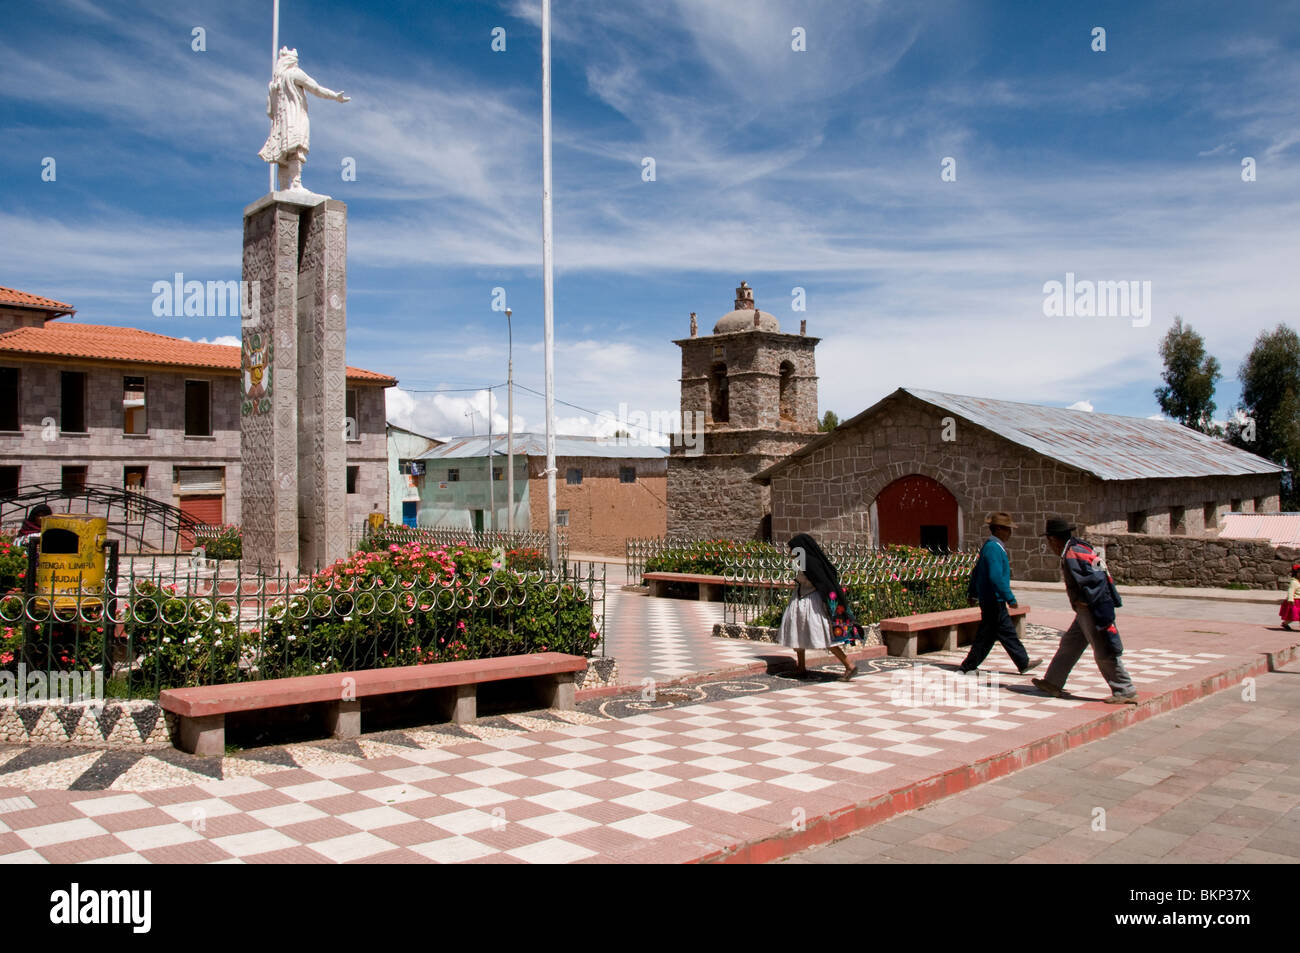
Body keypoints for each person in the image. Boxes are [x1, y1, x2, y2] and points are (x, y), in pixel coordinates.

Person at [1032, 518, 1138, 704]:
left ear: (1054, 540)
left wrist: (1090, 603)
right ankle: (1053, 681)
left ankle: (1124, 689)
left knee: (1103, 649)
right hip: (1085, 609)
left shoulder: (1074, 553)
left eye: (1049, 541)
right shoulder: (1077, 548)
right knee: (1070, 644)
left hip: (1092, 609)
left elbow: (1096, 580)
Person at [958, 512, 1041, 675]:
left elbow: (977, 573)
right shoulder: (993, 549)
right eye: (1007, 529)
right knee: (1003, 632)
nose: (1010, 533)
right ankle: (1022, 662)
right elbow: (995, 576)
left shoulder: (991, 547)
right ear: (998, 529)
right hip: (993, 600)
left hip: (991, 599)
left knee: (990, 635)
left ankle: (970, 664)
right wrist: (1009, 597)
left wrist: (973, 593)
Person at [258, 47, 350, 192]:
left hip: (280, 124)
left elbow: (269, 111)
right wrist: (335, 96)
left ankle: (283, 188)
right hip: (295, 118)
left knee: (282, 156)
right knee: (296, 151)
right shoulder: (294, 74)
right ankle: (296, 183)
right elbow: (316, 89)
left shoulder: (273, 85)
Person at [779, 533, 861, 680]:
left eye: (792, 549)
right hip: (803, 598)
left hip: (809, 600)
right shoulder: (811, 561)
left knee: (822, 635)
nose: (790, 552)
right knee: (798, 632)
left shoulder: (808, 563)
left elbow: (814, 581)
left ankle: (849, 664)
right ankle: (801, 666)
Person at [1280, 564, 1300, 630]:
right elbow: (1290, 591)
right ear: (1296, 573)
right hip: (1295, 601)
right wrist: (1290, 599)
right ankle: (1285, 624)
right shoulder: (1294, 582)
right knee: (1293, 616)